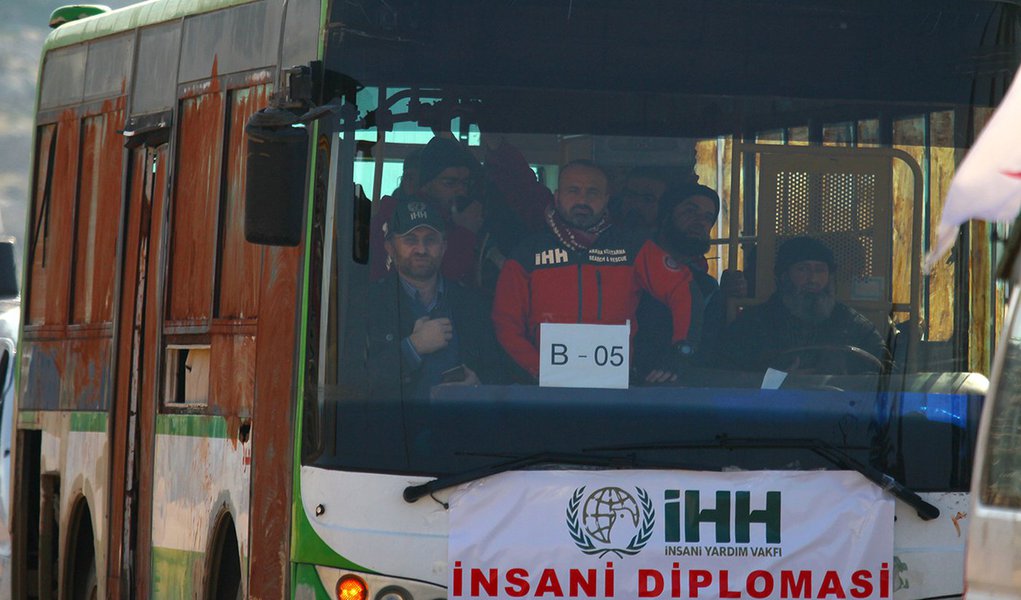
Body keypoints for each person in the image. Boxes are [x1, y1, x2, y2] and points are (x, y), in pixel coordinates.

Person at [491, 160, 700, 381]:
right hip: (543, 386)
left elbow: (682, 287)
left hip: (615, 385)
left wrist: (680, 350)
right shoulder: (528, 252)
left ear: (606, 199)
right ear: (557, 196)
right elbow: (506, 323)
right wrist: (538, 368)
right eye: (573, 191)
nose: (582, 200)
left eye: (593, 192)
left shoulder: (631, 247)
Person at [366, 200, 498, 398]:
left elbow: (498, 373)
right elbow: (352, 381)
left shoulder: (472, 303)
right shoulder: (368, 302)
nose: (421, 249)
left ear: (444, 246)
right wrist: (413, 347)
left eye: (430, 240)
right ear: (390, 248)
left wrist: (480, 388)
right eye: (410, 240)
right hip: (395, 426)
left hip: (462, 424)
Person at [714, 236, 888, 373]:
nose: (813, 279)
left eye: (820, 270)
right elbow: (726, 375)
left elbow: (887, 372)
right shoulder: (753, 324)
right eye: (802, 269)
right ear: (783, 276)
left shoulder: (854, 325)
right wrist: (776, 380)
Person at [634, 183, 747, 374]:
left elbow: (709, 353)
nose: (700, 221)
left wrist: (727, 299)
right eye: (690, 211)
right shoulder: (627, 263)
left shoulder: (708, 288)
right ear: (666, 215)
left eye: (708, 217)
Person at [370, 137, 482, 284]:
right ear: (426, 184)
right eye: (450, 183)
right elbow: (435, 282)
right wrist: (465, 232)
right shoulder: (397, 219)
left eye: (465, 183)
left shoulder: (457, 217)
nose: (460, 191)